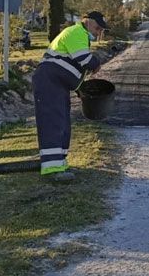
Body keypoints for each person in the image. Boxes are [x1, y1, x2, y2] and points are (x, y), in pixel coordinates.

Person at [33, 11, 108, 180]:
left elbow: (70, 67)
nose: (98, 33)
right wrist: (96, 63)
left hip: (57, 83)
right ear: (87, 22)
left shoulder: (81, 35)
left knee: (62, 122)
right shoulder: (76, 32)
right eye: (97, 28)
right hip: (48, 81)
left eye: (101, 30)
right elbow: (84, 60)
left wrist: (80, 88)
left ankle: (59, 162)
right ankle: (52, 169)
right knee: (53, 122)